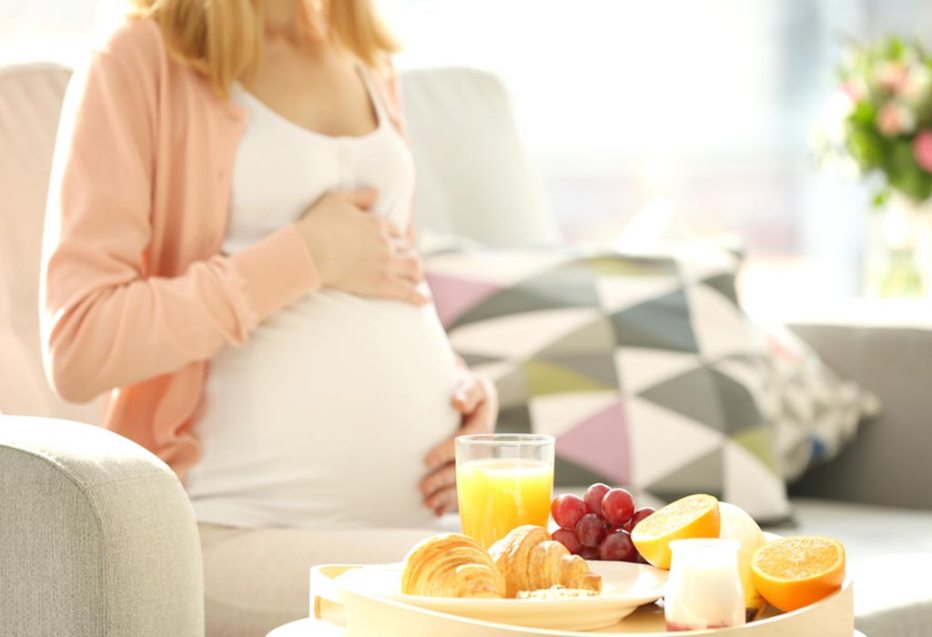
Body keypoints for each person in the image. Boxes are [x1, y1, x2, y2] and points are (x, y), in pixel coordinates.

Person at [40, 0, 497, 632]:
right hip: (228, 528)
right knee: (499, 602)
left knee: (617, 576)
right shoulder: (138, 58)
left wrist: (462, 393)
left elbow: (385, 275)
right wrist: (304, 256)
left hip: (425, 520)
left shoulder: (362, 50)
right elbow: (79, 343)